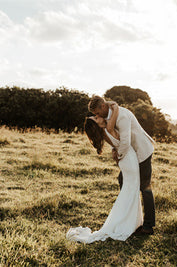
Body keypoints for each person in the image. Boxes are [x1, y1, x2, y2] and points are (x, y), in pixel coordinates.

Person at [66, 103, 143, 243]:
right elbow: (115, 114)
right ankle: (128, 224)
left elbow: (117, 144)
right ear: (97, 125)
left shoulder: (105, 132)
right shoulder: (108, 128)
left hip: (125, 161)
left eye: (96, 115)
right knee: (131, 191)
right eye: (95, 118)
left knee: (130, 191)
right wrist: (115, 107)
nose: (98, 116)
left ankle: (133, 222)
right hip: (130, 161)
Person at [89, 95, 155, 235]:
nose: (96, 115)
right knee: (122, 180)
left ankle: (148, 226)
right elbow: (116, 137)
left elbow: (124, 142)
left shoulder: (122, 116)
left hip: (141, 151)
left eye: (96, 113)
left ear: (102, 106)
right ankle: (130, 218)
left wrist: (118, 157)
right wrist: (114, 149)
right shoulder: (109, 117)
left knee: (145, 187)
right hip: (130, 155)